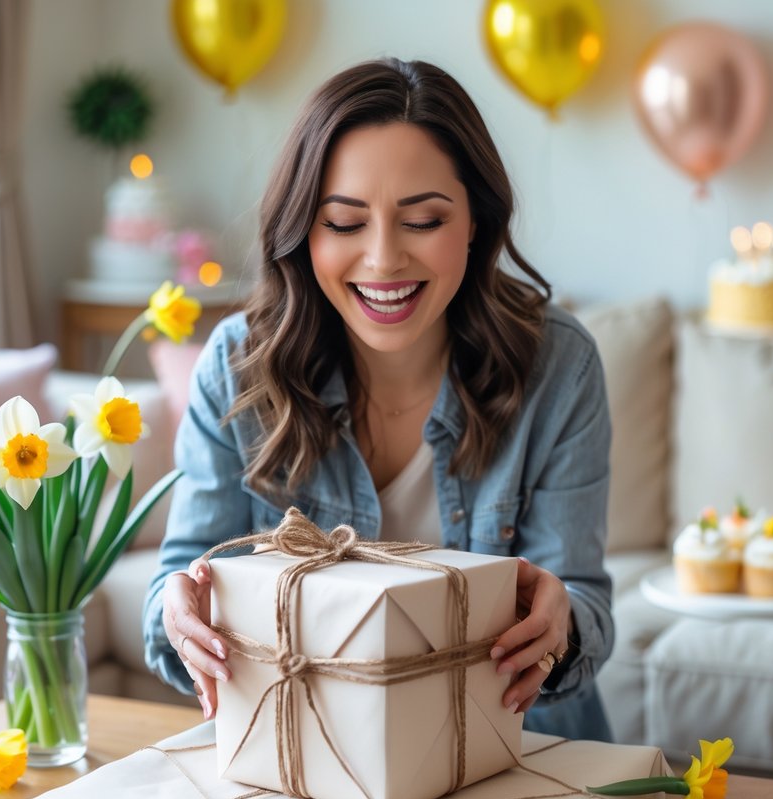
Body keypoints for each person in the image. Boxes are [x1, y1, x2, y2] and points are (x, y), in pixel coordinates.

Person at [142, 57, 614, 741]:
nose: (384, 259)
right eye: (343, 223)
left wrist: (560, 620)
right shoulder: (238, 366)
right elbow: (177, 582)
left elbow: (582, 600)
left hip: (527, 747)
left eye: (422, 219)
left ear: (475, 221)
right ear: (304, 230)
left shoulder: (557, 365)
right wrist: (177, 616)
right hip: (312, 756)